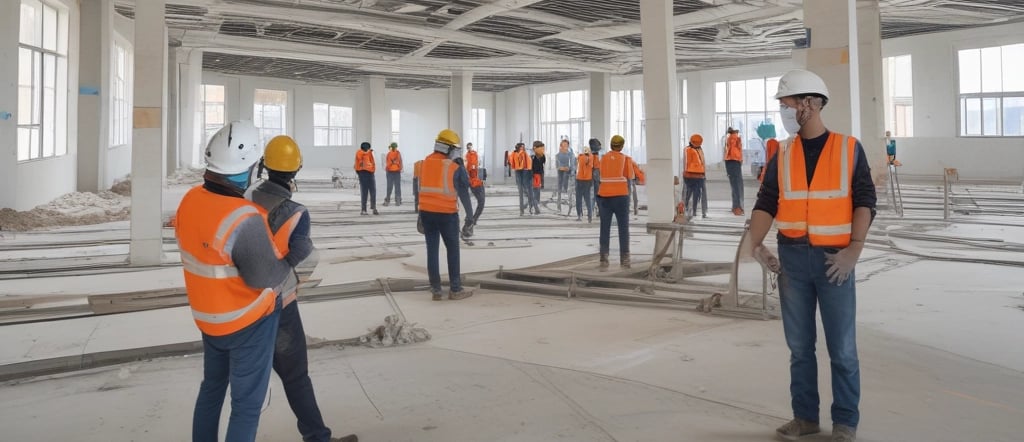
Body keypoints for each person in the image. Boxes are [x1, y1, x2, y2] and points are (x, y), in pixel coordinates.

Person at [749, 69, 876, 442]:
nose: (783, 111)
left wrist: (854, 250)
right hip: (792, 259)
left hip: (834, 260)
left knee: (842, 348)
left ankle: (844, 423)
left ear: (809, 103)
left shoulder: (848, 148)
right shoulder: (782, 152)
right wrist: (756, 245)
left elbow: (865, 200)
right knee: (800, 347)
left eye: (786, 104)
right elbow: (767, 200)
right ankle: (804, 417)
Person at [175, 121, 295, 442]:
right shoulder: (244, 217)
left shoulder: (188, 200)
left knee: (211, 390)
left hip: (207, 317)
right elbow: (265, 277)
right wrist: (286, 261)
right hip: (246, 324)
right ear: (250, 168)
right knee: (245, 406)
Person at [248, 135, 358, 442]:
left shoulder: (246, 197)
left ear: (264, 167)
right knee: (295, 376)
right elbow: (303, 259)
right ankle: (317, 437)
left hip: (241, 304)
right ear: (297, 170)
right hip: (277, 306)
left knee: (247, 382)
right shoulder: (295, 212)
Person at [419, 129, 474, 301]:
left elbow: (419, 189)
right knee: (453, 250)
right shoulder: (453, 167)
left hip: (426, 213)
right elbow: (465, 188)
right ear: (449, 148)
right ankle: (455, 290)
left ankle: (436, 289)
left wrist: (419, 214)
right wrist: (470, 217)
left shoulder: (424, 163)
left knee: (432, 251)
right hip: (447, 214)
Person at [596, 135, 637, 269]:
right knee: (623, 228)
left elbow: (599, 175)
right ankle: (624, 258)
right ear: (622, 146)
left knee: (605, 227)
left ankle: (603, 257)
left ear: (611, 145)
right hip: (620, 197)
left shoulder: (603, 159)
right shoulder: (625, 159)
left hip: (604, 196)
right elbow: (630, 176)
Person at [575, 139, 600, 223]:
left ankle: (581, 215)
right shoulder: (594, 156)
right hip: (590, 179)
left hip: (582, 179)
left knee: (581, 198)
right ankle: (590, 215)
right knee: (590, 198)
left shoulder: (582, 157)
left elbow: (578, 164)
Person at [463, 142, 485, 236]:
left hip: (477, 183)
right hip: (475, 183)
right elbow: (471, 170)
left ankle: (471, 222)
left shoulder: (473, 155)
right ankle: (471, 222)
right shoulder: (469, 157)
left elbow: (476, 168)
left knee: (480, 203)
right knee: (481, 202)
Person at [683, 134, 707, 219]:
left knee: (693, 193)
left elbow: (701, 163)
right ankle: (692, 210)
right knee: (694, 193)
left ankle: (692, 210)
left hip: (694, 176)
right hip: (695, 176)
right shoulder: (691, 150)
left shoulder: (694, 150)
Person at [724, 127, 745, 215]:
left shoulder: (732, 138)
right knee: (737, 186)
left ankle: (737, 207)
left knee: (735, 186)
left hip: (732, 162)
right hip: (735, 162)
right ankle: (737, 207)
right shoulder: (736, 138)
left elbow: (731, 152)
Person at [354, 142, 378, 215]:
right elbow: (361, 161)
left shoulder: (369, 153)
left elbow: (373, 162)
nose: (369, 149)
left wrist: (373, 170)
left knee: (373, 191)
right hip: (363, 173)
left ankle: (373, 207)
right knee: (364, 192)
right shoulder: (359, 153)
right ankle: (363, 210)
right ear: (365, 148)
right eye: (368, 148)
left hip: (370, 173)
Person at [511, 142, 532, 216]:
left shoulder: (525, 154)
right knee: (520, 191)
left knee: (526, 190)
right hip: (518, 172)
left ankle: (529, 206)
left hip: (525, 171)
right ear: (517, 147)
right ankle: (521, 210)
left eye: (523, 147)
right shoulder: (514, 154)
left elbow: (529, 162)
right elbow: (511, 161)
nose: (522, 148)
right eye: (521, 147)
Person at [555, 139, 574, 209]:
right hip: (560, 174)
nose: (564, 146)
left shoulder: (570, 154)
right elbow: (557, 166)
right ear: (561, 146)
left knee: (568, 189)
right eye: (563, 145)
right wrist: (563, 168)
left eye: (566, 145)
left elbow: (572, 165)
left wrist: (569, 169)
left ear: (568, 146)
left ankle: (569, 203)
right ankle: (559, 205)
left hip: (568, 174)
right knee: (559, 189)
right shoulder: (557, 155)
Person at [383, 142, 403, 207]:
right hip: (397, 172)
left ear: (391, 147)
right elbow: (401, 162)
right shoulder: (398, 154)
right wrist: (399, 168)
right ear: (396, 147)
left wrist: (388, 169)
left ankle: (387, 200)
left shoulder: (389, 154)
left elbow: (388, 164)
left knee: (389, 187)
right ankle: (398, 201)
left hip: (390, 172)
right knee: (397, 187)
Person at [530, 141, 546, 215]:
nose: (543, 150)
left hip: (539, 175)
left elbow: (543, 165)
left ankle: (535, 205)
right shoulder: (532, 157)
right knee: (534, 191)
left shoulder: (542, 156)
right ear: (535, 148)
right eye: (541, 148)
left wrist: (542, 182)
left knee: (538, 191)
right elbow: (530, 168)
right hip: (534, 175)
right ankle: (535, 207)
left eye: (543, 148)